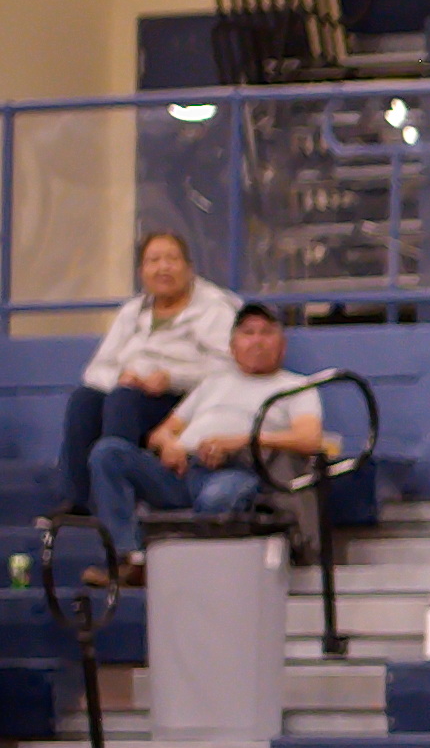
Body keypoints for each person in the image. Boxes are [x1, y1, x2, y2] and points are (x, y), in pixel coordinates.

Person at [83, 299, 322, 576]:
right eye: (248, 332)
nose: (257, 341)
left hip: (239, 470)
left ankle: (190, 576)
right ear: (233, 346)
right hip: (182, 470)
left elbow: (310, 439)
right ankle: (132, 561)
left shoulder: (296, 386)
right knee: (108, 453)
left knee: (218, 497)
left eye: (266, 332)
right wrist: (169, 445)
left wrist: (242, 441)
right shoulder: (213, 382)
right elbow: (160, 433)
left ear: (282, 345)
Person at [58, 229, 241, 518]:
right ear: (142, 271)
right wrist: (125, 377)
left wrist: (171, 377)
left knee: (122, 400)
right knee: (85, 400)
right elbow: (97, 369)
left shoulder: (214, 307)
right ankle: (78, 501)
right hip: (133, 392)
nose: (163, 267)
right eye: (153, 260)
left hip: (185, 401)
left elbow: (228, 367)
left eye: (172, 259)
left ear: (189, 268)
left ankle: (121, 502)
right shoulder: (132, 311)